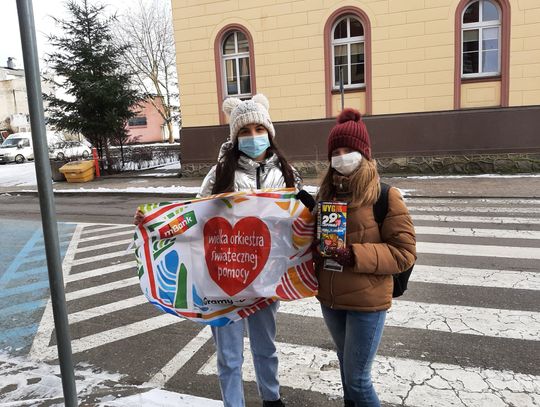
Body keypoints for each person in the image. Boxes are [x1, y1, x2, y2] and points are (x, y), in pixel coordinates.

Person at [199, 94, 301, 407]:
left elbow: (300, 220)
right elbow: (195, 218)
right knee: (229, 356)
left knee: (265, 347)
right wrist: (157, 224)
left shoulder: (286, 172)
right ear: (235, 136)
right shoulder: (220, 173)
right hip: (224, 279)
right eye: (244, 130)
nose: (253, 136)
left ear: (269, 132)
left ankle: (272, 399)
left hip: (266, 278)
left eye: (259, 129)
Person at [314, 108, 416, 407]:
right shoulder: (327, 195)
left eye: (348, 151)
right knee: (346, 368)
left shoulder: (385, 196)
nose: (342, 157)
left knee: (358, 379)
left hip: (367, 302)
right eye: (336, 152)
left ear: (364, 154)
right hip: (331, 299)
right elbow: (316, 244)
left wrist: (353, 254)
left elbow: (404, 253)